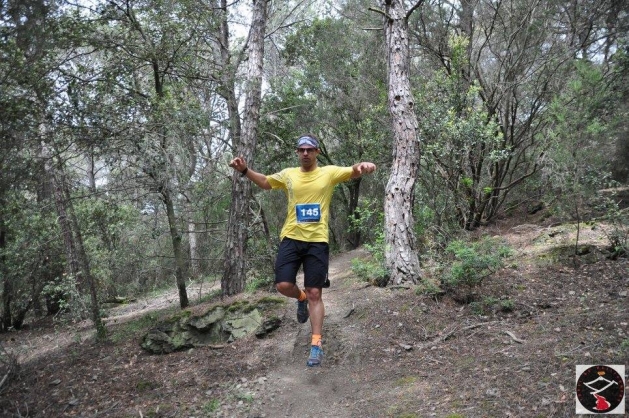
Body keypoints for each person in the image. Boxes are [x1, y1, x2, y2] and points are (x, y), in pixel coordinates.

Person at [229, 134, 376, 367]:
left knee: (316, 292)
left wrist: (365, 166)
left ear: (317, 152)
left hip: (317, 241)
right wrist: (245, 170)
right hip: (291, 238)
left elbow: (353, 170)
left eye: (309, 149)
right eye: (301, 150)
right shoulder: (288, 175)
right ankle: (300, 298)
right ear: (297, 153)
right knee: (283, 285)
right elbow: (266, 182)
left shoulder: (328, 173)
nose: (305, 153)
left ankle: (316, 344)